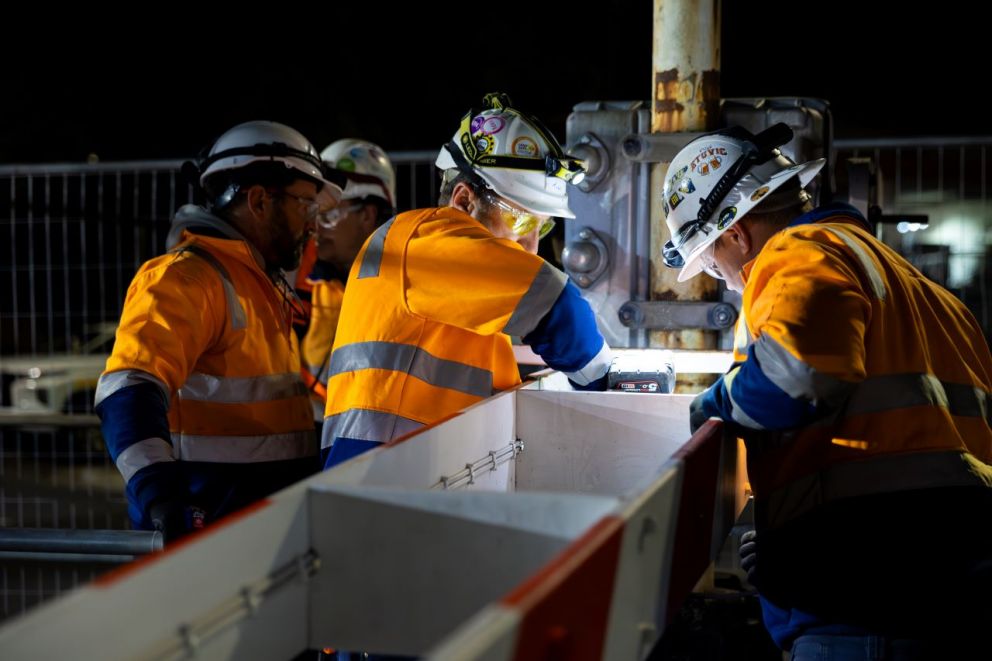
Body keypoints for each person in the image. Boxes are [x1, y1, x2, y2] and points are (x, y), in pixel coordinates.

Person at [665, 123, 992, 657]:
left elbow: (795, 378)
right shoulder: (936, 299)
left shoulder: (797, 252)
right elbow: (914, 449)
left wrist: (715, 402)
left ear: (736, 235)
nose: (721, 279)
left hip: (861, 606)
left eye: (709, 261)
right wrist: (789, 538)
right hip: (956, 589)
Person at [321, 93, 613, 468]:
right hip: (383, 472)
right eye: (523, 221)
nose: (531, 243)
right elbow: (560, 308)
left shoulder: (446, 273)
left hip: (404, 470)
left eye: (543, 226)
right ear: (463, 201)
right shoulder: (425, 242)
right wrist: (602, 382)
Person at [95, 120, 343, 542]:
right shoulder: (187, 278)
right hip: (204, 536)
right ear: (260, 200)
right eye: (306, 205)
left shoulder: (258, 284)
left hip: (253, 533)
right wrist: (162, 500)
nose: (313, 224)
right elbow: (127, 388)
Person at [294, 140, 397, 422]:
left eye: (328, 215)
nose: (316, 227)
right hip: (313, 425)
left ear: (368, 214)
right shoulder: (305, 276)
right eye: (315, 214)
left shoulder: (402, 284)